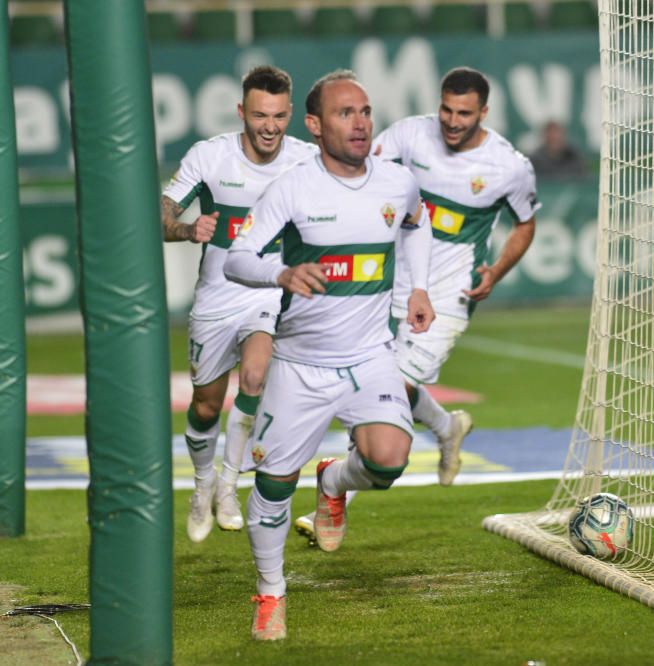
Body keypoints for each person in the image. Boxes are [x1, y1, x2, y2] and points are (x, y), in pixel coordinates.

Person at [223, 69, 434, 641]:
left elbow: (418, 224)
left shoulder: (396, 182)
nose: (361, 122)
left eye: (365, 111)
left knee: (389, 460)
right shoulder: (293, 188)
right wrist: (282, 272)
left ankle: (335, 482)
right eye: (346, 113)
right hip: (300, 362)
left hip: (370, 354)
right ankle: (270, 593)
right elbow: (236, 259)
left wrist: (416, 285)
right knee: (271, 486)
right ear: (314, 125)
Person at [293, 66, 540, 542]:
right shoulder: (409, 134)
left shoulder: (508, 166)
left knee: (391, 382)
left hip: (448, 294)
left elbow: (525, 223)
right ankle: (446, 428)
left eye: (464, 113)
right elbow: (362, 173)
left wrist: (498, 269)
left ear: (483, 112)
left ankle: (336, 490)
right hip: (387, 283)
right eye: (446, 108)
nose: (452, 120)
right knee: (387, 384)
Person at [162, 65, 316, 543]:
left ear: (289, 113)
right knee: (206, 407)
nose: (269, 126)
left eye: (277, 116)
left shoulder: (307, 160)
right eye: (258, 116)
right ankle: (203, 481)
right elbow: (161, 213)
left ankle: (229, 484)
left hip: (269, 293)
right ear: (241, 113)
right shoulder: (210, 157)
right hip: (215, 296)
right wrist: (188, 229)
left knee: (255, 375)